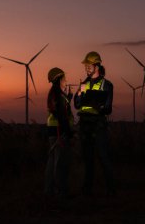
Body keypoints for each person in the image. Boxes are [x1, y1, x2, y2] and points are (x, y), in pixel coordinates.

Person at [74, 51, 115, 196]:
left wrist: (99, 107)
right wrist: (79, 94)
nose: (86, 68)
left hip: (98, 126)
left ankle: (111, 190)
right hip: (85, 126)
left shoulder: (107, 85)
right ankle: (87, 190)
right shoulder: (84, 84)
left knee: (103, 157)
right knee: (87, 159)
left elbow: (108, 108)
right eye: (85, 65)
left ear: (97, 65)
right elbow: (77, 105)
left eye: (88, 65)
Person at [45, 67, 74, 197]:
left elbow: (60, 109)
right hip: (59, 130)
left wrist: (69, 97)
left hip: (53, 129)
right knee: (59, 163)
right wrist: (68, 131)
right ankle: (60, 191)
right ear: (58, 79)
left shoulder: (55, 93)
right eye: (64, 78)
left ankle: (49, 190)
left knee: (52, 162)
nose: (66, 80)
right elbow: (62, 115)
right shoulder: (58, 94)